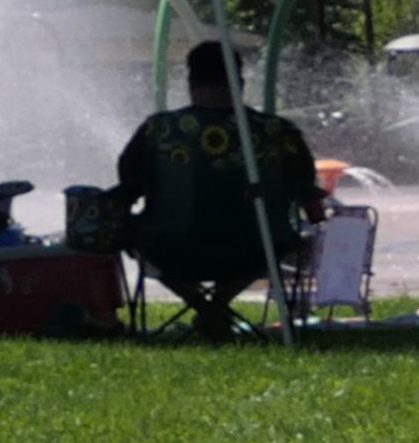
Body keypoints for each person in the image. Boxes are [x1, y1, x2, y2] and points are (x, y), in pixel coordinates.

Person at [105, 38, 321, 331]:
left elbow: (128, 184)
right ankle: (217, 306)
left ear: (190, 82)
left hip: (171, 246)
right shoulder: (278, 132)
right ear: (240, 82)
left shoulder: (158, 131)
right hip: (256, 246)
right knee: (282, 237)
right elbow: (307, 189)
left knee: (130, 233)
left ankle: (203, 306)